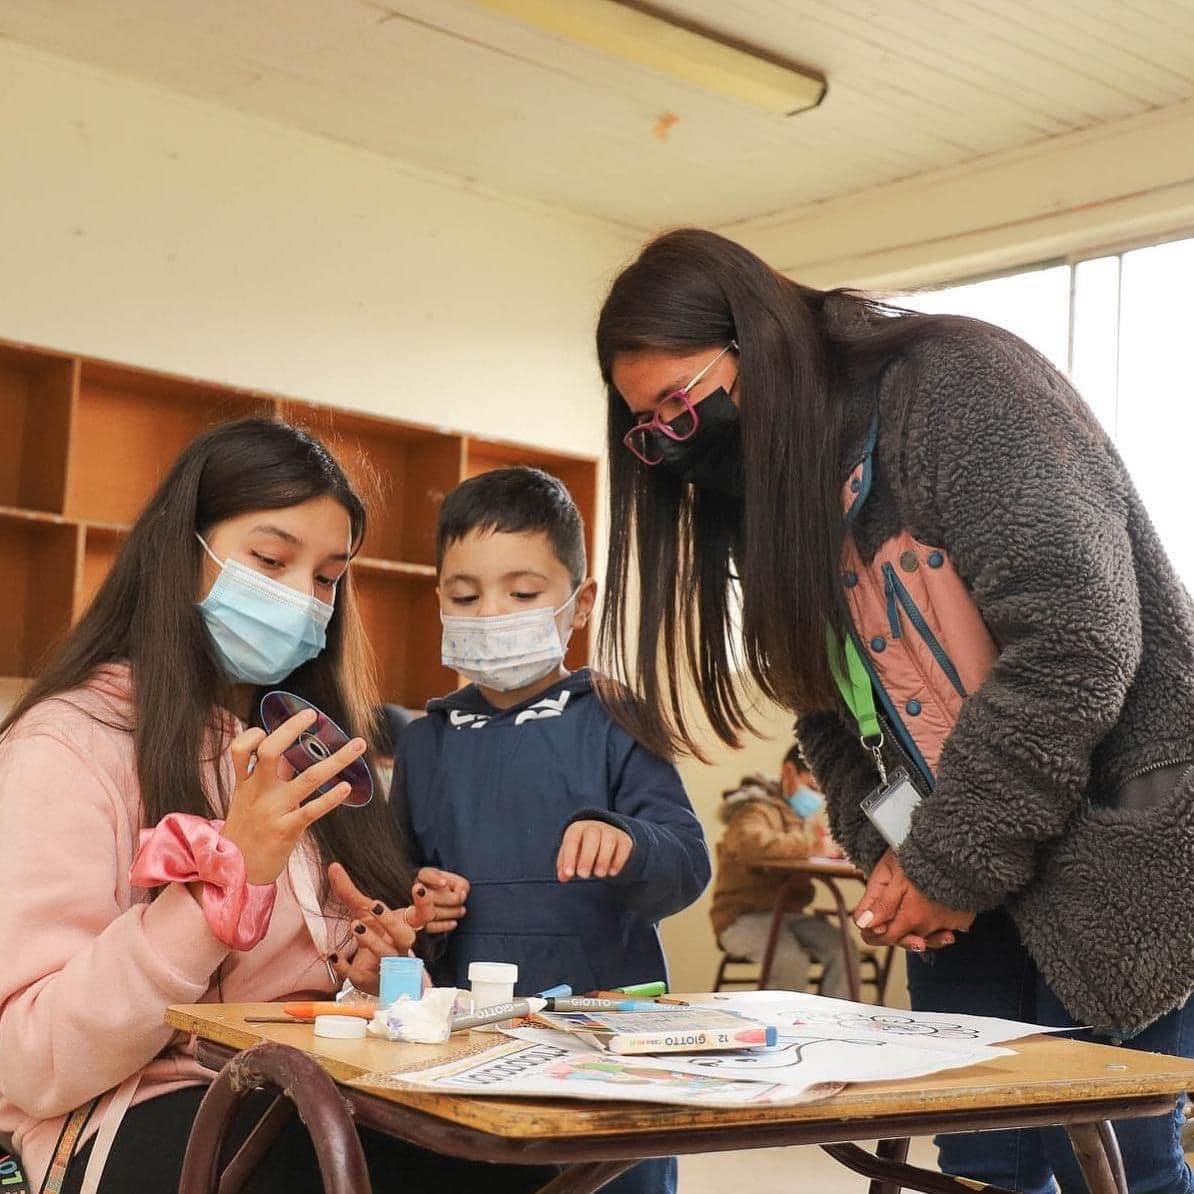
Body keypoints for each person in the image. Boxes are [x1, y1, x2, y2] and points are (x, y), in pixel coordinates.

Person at [593, 228, 1194, 1193]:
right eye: (649, 428)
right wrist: (892, 865)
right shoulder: (782, 489)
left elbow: (1079, 642)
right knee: (982, 1159)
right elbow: (827, 714)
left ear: (757, 345)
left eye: (682, 405)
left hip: (1114, 849)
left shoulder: (957, 385)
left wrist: (948, 861)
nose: (676, 443)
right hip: (968, 867)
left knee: (1114, 1159)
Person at [0, 419, 551, 1193]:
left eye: (327, 577)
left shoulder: (313, 745)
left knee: (510, 1155)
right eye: (269, 559)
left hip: (308, 1089)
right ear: (180, 551)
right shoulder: (70, 743)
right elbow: (30, 1061)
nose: (302, 598)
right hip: (124, 1118)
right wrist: (221, 885)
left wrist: (377, 976)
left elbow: (320, 1003)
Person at [391, 465, 711, 1194]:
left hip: (606, 1043)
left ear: (578, 604)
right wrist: (417, 906)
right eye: (465, 596)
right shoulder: (424, 742)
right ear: (438, 597)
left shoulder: (616, 718)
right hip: (463, 1045)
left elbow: (687, 862)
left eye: (524, 593)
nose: (492, 612)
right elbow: (393, 890)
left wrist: (630, 845)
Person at [710, 744, 854, 997]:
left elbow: (818, 847)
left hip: (789, 915)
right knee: (791, 961)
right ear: (789, 773)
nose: (816, 797)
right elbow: (751, 844)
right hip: (742, 918)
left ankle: (838, 1022)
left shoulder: (803, 819)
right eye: (811, 787)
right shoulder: (753, 810)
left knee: (843, 948)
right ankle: (785, 1028)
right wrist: (814, 846)